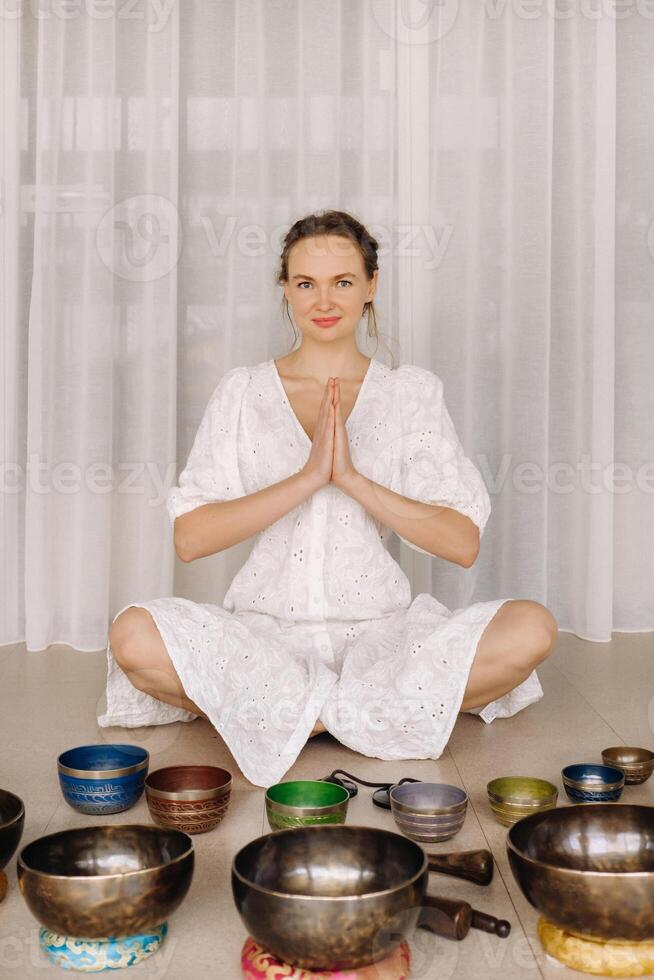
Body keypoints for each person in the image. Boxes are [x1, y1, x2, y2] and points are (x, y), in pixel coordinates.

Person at [98, 209, 558, 787]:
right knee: (133, 636)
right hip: (265, 639)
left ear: (370, 286)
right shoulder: (242, 393)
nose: (324, 299)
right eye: (305, 283)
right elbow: (191, 538)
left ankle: (298, 718)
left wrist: (354, 480)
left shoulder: (409, 395)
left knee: (532, 627)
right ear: (285, 290)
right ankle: (359, 717)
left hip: (382, 639)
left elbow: (461, 543)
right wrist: (307, 478)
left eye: (342, 282)